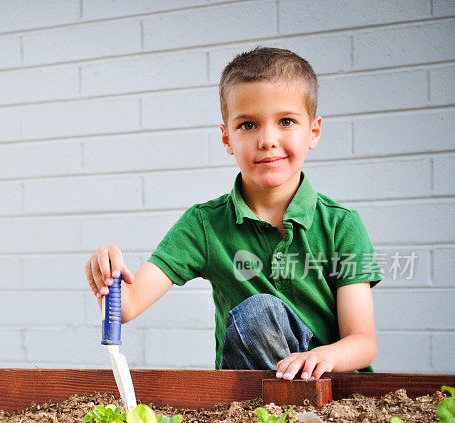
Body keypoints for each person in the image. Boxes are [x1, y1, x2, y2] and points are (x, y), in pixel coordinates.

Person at [85, 47, 382, 380]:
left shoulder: (342, 225)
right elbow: (127, 305)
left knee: (261, 311)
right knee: (259, 312)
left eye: (286, 121)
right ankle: (281, 421)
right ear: (226, 138)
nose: (267, 140)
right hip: (252, 400)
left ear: (313, 131)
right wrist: (107, 272)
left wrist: (323, 356)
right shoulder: (205, 224)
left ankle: (299, 417)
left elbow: (362, 341)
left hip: (336, 392)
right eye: (248, 125)